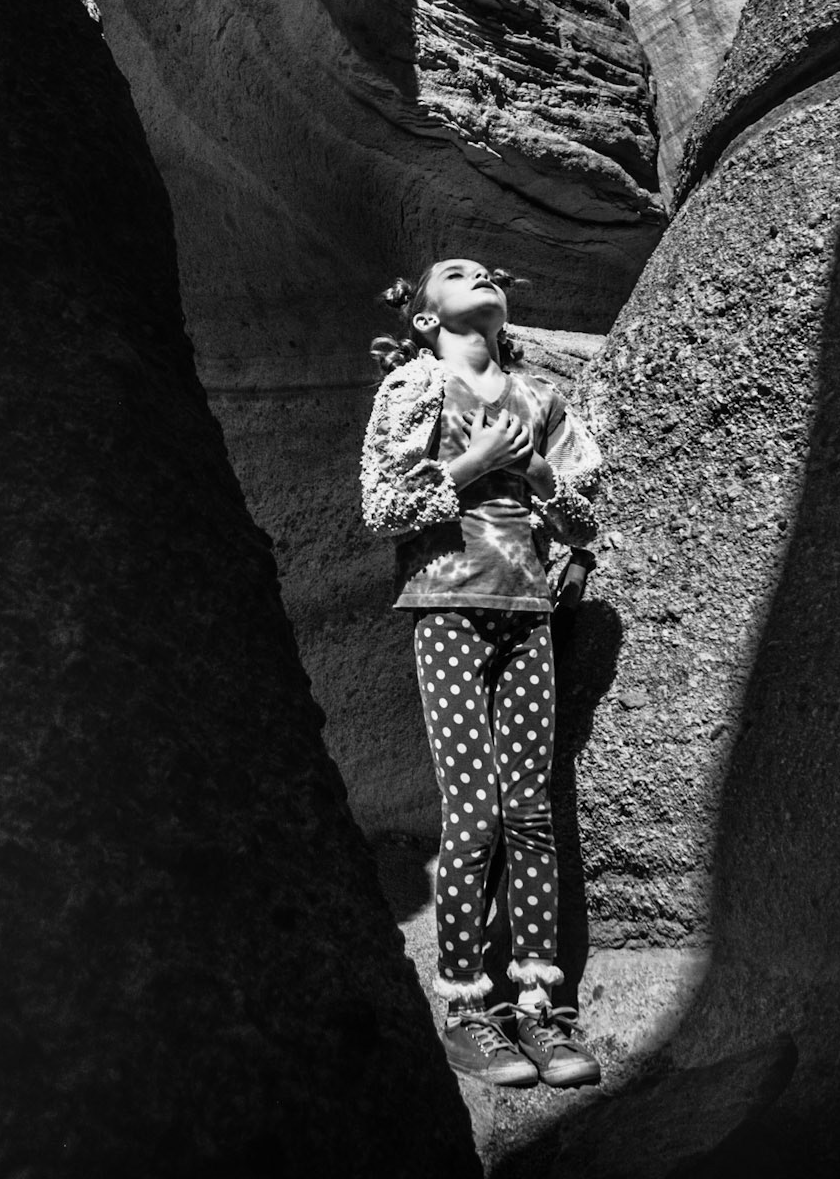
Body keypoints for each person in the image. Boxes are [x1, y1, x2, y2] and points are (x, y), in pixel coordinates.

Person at [360, 257, 603, 1089]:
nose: (479, 274)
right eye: (455, 272)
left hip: (528, 612)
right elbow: (381, 507)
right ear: (426, 318)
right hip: (446, 609)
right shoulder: (411, 387)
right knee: (474, 816)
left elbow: (581, 512)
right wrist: (469, 466)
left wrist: (533, 473)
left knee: (530, 810)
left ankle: (541, 1005)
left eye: (484, 269)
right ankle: (467, 1006)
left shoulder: (540, 399)